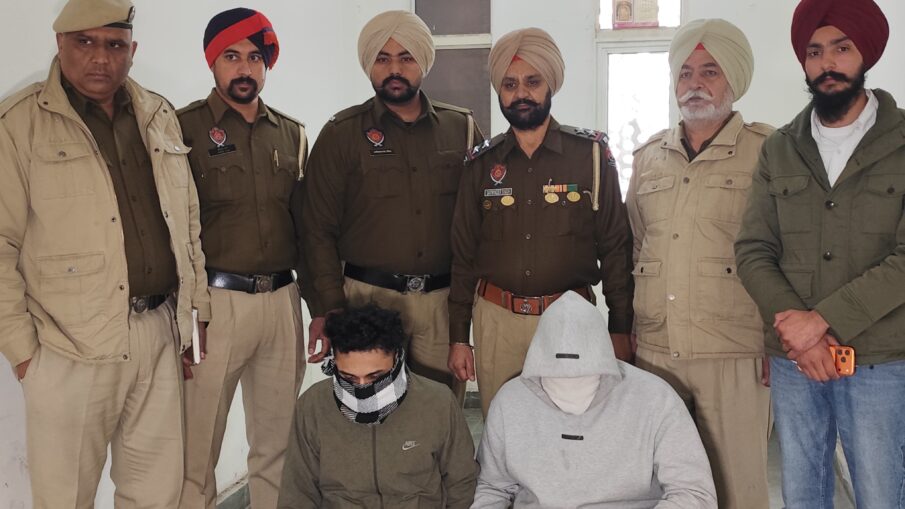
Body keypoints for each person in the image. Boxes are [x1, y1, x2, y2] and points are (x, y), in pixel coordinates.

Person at [0, 0, 210, 506]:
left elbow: (186, 223)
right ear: (60, 43)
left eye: (115, 44)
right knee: (65, 498)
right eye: (85, 42)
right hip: (68, 347)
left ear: (132, 50)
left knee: (156, 494)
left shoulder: (158, 114)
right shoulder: (19, 123)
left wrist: (192, 315)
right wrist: (24, 353)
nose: (100, 57)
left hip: (158, 332)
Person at [735, 0, 905, 506]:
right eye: (814, 52)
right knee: (802, 494)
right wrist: (799, 332)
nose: (827, 63)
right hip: (797, 362)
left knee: (881, 494)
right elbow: (753, 248)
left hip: (880, 359)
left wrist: (821, 322)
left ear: (865, 54)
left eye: (841, 48)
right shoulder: (780, 147)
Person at [448, 27, 634, 416]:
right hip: (497, 323)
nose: (521, 93)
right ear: (500, 92)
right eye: (510, 84)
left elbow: (615, 247)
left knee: (571, 429)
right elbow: (463, 255)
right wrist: (458, 336)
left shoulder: (590, 155)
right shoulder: (481, 162)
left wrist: (620, 326)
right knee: (503, 428)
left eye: (532, 82)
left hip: (571, 321)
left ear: (550, 84)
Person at [627, 19, 773, 508]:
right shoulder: (648, 158)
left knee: (737, 486)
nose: (695, 84)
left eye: (710, 71)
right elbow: (636, 245)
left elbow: (786, 253)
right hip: (656, 352)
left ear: (734, 79)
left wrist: (777, 339)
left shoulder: (768, 152)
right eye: (685, 72)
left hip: (733, 351)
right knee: (660, 486)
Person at [302, 10, 481, 397]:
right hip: (366, 300)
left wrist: (464, 315)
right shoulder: (341, 134)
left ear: (423, 63)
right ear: (370, 64)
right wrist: (330, 307)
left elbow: (478, 225)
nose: (395, 69)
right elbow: (316, 229)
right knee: (369, 410)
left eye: (406, 58)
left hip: (440, 305)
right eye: (383, 59)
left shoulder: (461, 129)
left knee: (437, 413)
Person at [175, 8, 310, 509]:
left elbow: (306, 227)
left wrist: (319, 307)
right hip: (214, 305)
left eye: (255, 57)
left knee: (278, 446)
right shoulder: (182, 129)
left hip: (282, 301)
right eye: (231, 56)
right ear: (212, 61)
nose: (245, 69)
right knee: (196, 449)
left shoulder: (291, 133)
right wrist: (188, 310)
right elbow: (175, 228)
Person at [472, 292, 717, 508]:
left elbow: (694, 493)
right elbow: (492, 488)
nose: (569, 388)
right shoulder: (510, 401)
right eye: (556, 380)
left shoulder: (655, 399)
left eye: (583, 379)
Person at [277, 305, 477, 508]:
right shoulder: (313, 405)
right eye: (349, 378)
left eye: (375, 377)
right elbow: (297, 491)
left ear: (397, 358)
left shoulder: (438, 401)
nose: (362, 387)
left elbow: (462, 484)